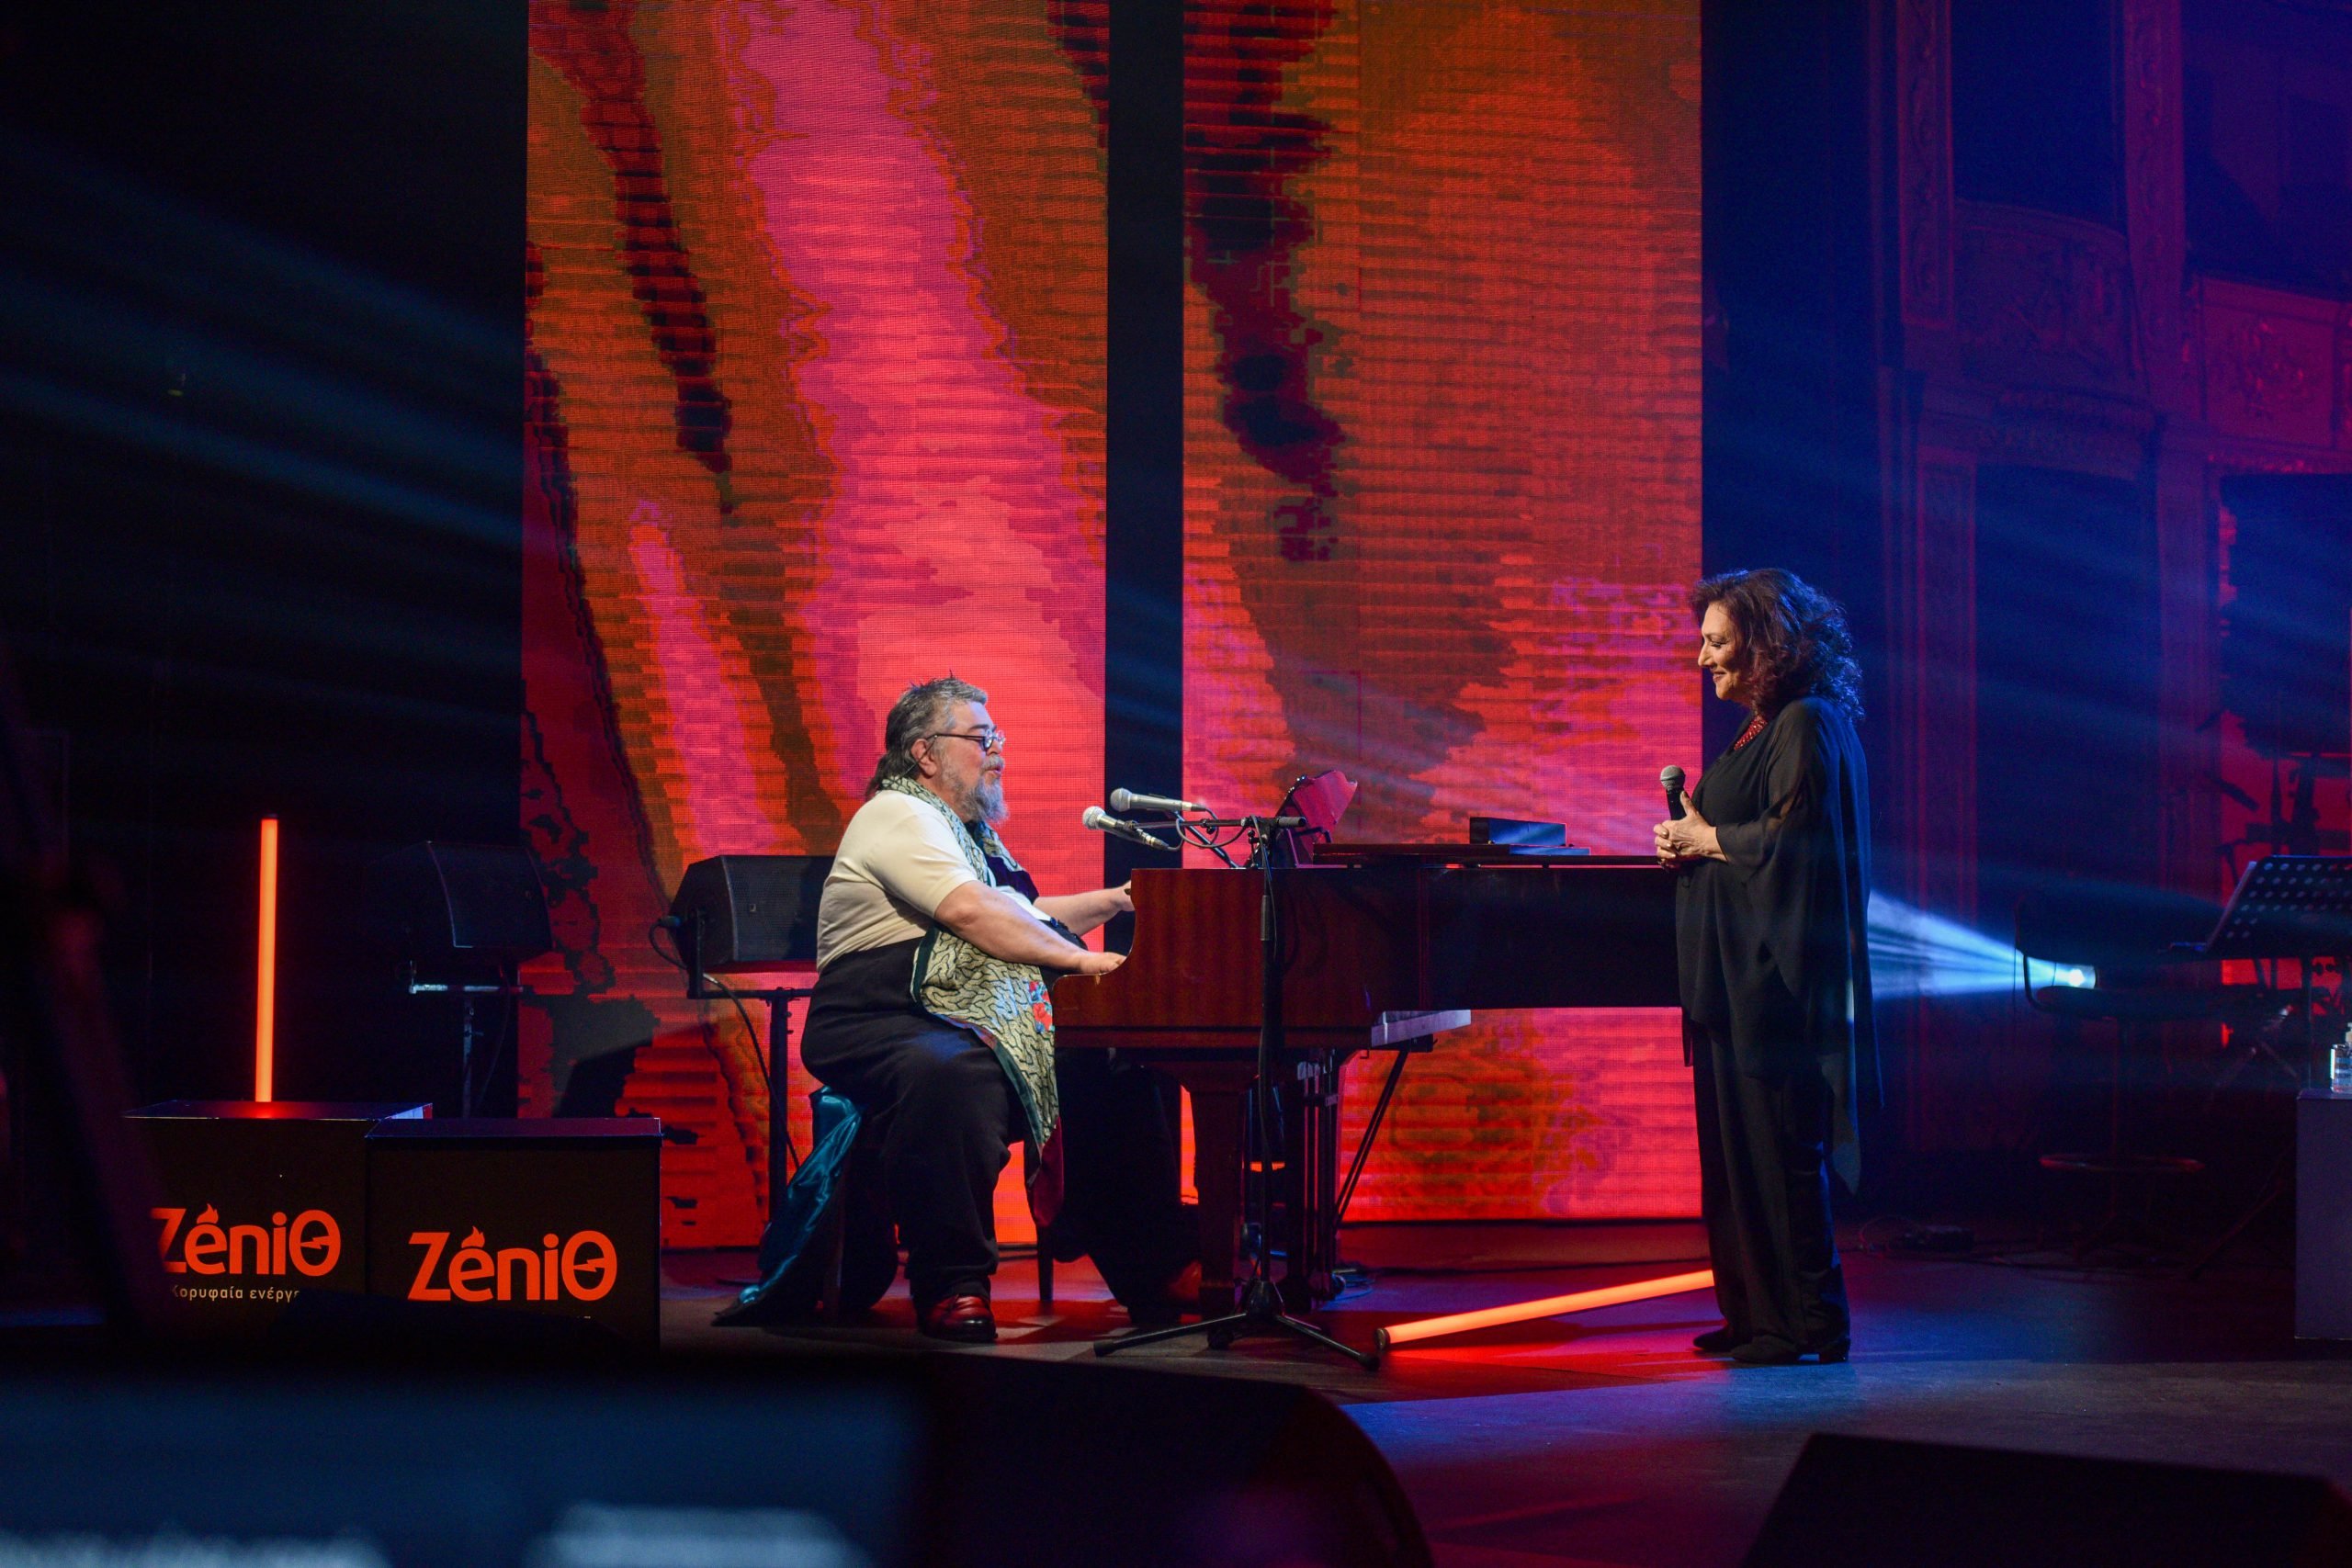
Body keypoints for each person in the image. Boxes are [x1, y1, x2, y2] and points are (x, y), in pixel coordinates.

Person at [801, 675, 1192, 1342]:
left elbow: (1025, 915)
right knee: (954, 1073)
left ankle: (1155, 1266)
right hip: (880, 1011)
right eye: (981, 738)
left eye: (996, 737)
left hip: (962, 1010)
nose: (997, 752)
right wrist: (1085, 963)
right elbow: (970, 912)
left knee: (1108, 1062)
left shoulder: (970, 837)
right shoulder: (896, 813)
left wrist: (1120, 899)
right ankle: (952, 1283)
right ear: (924, 753)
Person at [1654, 570, 1873, 1366]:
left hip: (1773, 989)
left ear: (1764, 642)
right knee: (1735, 1160)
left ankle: (1806, 1324)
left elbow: (1794, 843)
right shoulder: (1762, 726)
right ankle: (1754, 1314)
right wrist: (1692, 839)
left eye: (1716, 642)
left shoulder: (1807, 722)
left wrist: (1708, 839)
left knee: (1778, 1157)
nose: (1702, 658)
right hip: (1730, 982)